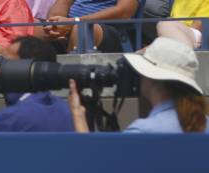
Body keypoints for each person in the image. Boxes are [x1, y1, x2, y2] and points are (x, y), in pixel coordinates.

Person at [70, 37, 208, 133]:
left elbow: (103, 171)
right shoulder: (202, 124)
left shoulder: (143, 131)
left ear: (152, 79)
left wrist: (78, 115)